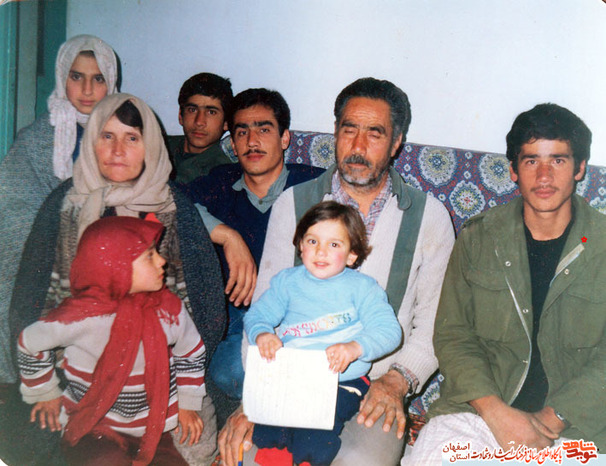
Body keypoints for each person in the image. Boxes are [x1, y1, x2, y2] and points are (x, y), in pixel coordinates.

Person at [219, 77, 455, 466]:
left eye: (375, 133)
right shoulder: (294, 203)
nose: (358, 146)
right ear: (335, 132)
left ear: (396, 142)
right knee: (246, 455)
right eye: (349, 129)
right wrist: (255, 396)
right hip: (289, 379)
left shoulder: (428, 216)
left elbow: (435, 325)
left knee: (361, 461)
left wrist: (397, 381)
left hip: (374, 385)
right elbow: (264, 308)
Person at [7, 93, 225, 465]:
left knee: (194, 449)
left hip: (161, 371)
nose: (118, 150)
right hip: (76, 367)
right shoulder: (64, 204)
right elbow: (30, 301)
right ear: (91, 141)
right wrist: (49, 386)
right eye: (107, 136)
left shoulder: (175, 208)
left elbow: (205, 310)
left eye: (132, 138)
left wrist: (176, 384)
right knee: (33, 440)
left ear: (150, 146)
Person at [409, 103, 606, 464]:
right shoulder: (480, 238)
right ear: (513, 170)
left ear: (580, 168)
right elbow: (453, 336)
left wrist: (552, 419)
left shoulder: (602, 244)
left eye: (558, 160)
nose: (544, 175)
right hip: (480, 414)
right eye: (531, 161)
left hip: (580, 427)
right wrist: (497, 413)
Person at [18, 216, 205, 465]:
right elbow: (29, 343)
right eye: (150, 255)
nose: (162, 260)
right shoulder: (80, 316)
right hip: (93, 423)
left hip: (153, 425)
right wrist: (46, 392)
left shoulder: (169, 310)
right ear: (117, 267)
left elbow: (191, 352)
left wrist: (188, 403)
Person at [184, 88, 324, 407]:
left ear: (284, 138)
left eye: (264, 129)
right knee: (226, 368)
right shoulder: (220, 182)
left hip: (294, 316)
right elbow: (172, 201)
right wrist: (228, 236)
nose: (252, 141)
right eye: (242, 132)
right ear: (232, 145)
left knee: (237, 370)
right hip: (234, 314)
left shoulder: (314, 186)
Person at [244, 201, 402, 466]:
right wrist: (262, 334)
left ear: (352, 255)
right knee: (268, 427)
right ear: (301, 246)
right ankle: (273, 458)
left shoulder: (363, 288)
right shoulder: (287, 282)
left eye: (334, 244)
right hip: (292, 376)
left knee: (315, 433)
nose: (321, 251)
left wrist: (355, 347)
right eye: (313, 241)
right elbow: (256, 316)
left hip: (343, 380)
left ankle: (308, 461)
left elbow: (389, 330)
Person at [0, 34, 118, 384]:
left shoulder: (122, 131)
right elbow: (15, 206)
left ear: (111, 81)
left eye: (98, 78)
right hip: (45, 247)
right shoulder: (36, 139)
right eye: (76, 76)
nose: (87, 89)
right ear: (61, 76)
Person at [167, 72, 234, 184]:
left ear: (226, 122)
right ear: (180, 116)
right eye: (192, 110)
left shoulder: (224, 171)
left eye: (211, 112)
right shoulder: (158, 145)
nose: (199, 122)